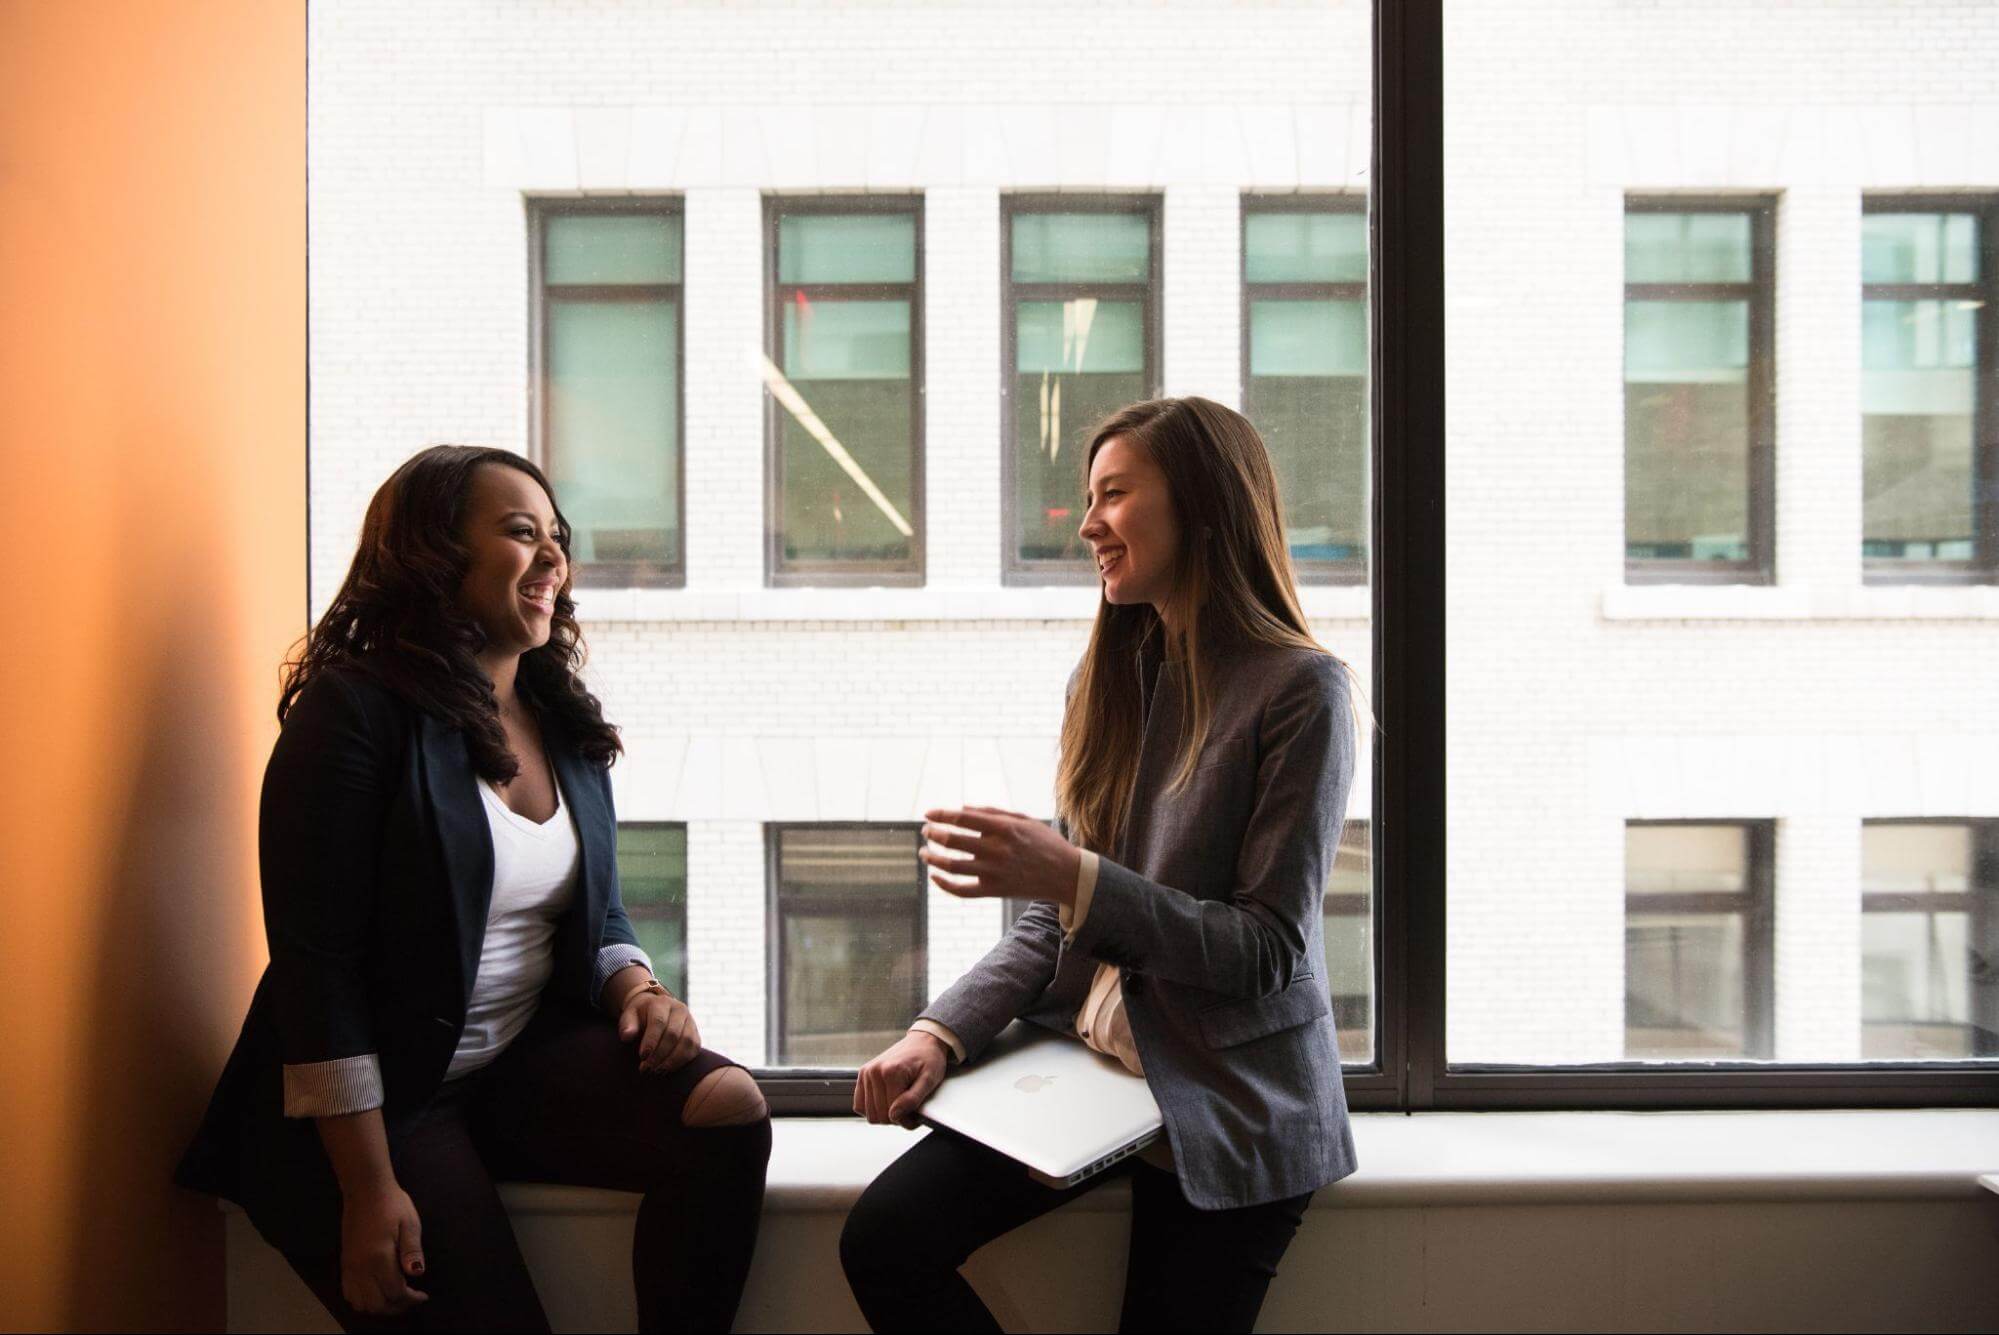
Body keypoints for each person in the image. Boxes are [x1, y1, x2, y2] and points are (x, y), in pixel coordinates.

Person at [176, 445, 770, 1333]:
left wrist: (637, 986)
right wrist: (368, 1190)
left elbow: (592, 907)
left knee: (727, 1110)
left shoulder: (558, 715)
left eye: (558, 538)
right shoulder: (352, 713)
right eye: (521, 533)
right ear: (432, 552)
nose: (553, 558)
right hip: (375, 1107)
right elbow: (318, 969)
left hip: (505, 1064)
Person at [840, 397, 1361, 1334]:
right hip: (1093, 1070)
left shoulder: (1300, 689)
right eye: (1089, 498)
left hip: (1229, 1096)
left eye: (1113, 495)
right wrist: (938, 1033)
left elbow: (1266, 950)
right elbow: (1054, 920)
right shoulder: (1107, 677)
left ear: (1203, 506)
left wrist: (1072, 877)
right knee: (883, 1238)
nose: (1086, 524)